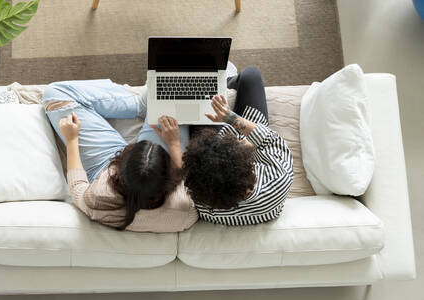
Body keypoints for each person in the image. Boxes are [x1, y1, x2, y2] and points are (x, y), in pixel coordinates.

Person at [42, 80, 198, 232]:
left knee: (55, 94)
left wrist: (71, 139)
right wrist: (174, 144)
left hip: (105, 165)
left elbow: (77, 187)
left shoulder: (99, 198)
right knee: (171, 93)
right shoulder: (184, 211)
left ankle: (138, 104)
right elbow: (185, 177)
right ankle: (146, 105)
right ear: (169, 179)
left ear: (120, 170)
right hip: (146, 172)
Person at [182, 67, 294, 225]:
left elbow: (186, 173)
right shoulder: (278, 180)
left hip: (218, 149)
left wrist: (174, 142)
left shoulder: (203, 200)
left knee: (203, 86)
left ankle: (220, 81)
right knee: (251, 75)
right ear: (248, 164)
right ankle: (225, 79)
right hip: (254, 144)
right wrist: (231, 118)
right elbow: (271, 138)